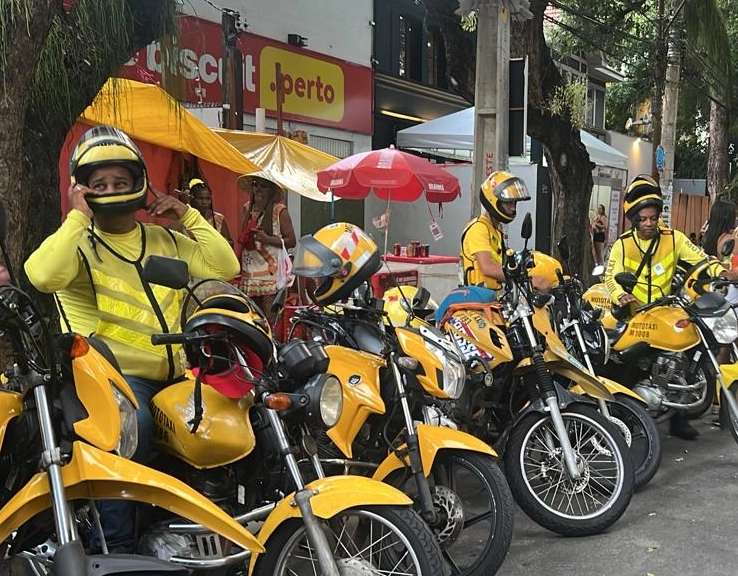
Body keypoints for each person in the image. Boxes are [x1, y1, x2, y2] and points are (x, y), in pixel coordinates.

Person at [24, 125, 240, 553]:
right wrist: (76, 216)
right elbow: (42, 275)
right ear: (81, 189)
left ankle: (202, 529)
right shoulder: (78, 243)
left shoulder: (163, 238)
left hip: (177, 374)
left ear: (139, 183)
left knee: (227, 423)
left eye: (120, 181)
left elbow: (225, 265)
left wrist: (185, 214)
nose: (110, 189)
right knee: (133, 430)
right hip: (112, 381)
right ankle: (118, 547)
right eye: (99, 183)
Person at [604, 174, 728, 440]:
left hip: (666, 310)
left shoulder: (675, 239)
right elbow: (610, 278)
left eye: (653, 217)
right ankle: (622, 416)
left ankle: (678, 418)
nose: (649, 223)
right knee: (626, 365)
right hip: (634, 316)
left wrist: (722, 272)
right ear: (634, 218)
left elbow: (702, 259)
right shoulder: (623, 245)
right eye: (643, 219)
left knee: (683, 360)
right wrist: (619, 297)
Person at [460, 170, 550, 292]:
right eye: (508, 203)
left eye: (514, 203)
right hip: (477, 301)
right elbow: (487, 267)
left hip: (493, 298)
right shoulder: (479, 228)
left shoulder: (495, 230)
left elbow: (502, 264)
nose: (513, 208)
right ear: (493, 200)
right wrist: (526, 278)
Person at [236, 174, 296, 324]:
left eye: (263, 186)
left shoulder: (279, 211)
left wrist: (267, 239)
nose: (258, 189)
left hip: (271, 275)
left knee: (270, 319)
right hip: (249, 273)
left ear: (271, 190)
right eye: (256, 185)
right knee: (251, 319)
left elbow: (292, 241)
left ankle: (272, 346)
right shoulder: (246, 208)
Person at [188, 177, 233, 245]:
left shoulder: (218, 219)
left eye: (207, 199)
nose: (204, 202)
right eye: (200, 198)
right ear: (192, 199)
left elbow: (230, 243)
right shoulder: (186, 218)